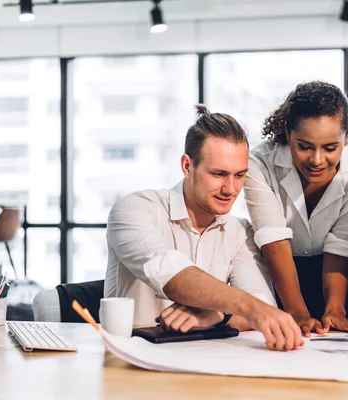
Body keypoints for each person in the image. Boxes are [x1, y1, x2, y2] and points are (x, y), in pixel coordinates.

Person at [104, 105, 303, 351]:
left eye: (239, 175)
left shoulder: (240, 232)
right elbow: (174, 276)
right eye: (219, 174)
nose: (230, 189)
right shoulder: (134, 210)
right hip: (134, 364)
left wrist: (218, 314)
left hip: (206, 368)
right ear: (187, 166)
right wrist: (248, 308)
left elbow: (261, 302)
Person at [244, 81, 348, 337]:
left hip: (333, 274)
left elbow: (340, 248)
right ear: (287, 132)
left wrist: (335, 310)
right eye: (304, 146)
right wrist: (298, 313)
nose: (316, 160)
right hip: (275, 271)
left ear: (346, 137)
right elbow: (274, 242)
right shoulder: (259, 164)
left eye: (330, 148)